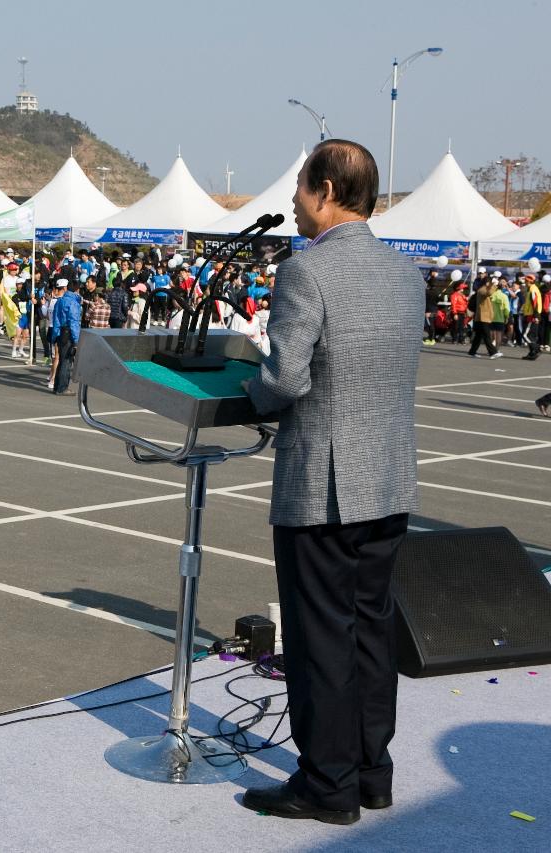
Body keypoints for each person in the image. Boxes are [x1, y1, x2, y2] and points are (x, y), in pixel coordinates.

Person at [241, 139, 422, 826]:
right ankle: (373, 773)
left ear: (323, 189)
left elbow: (286, 378)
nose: (291, 201)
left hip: (323, 485)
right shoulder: (407, 275)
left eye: (297, 188)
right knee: (372, 632)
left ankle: (325, 784)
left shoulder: (305, 272)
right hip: (387, 479)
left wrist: (251, 391)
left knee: (320, 639)